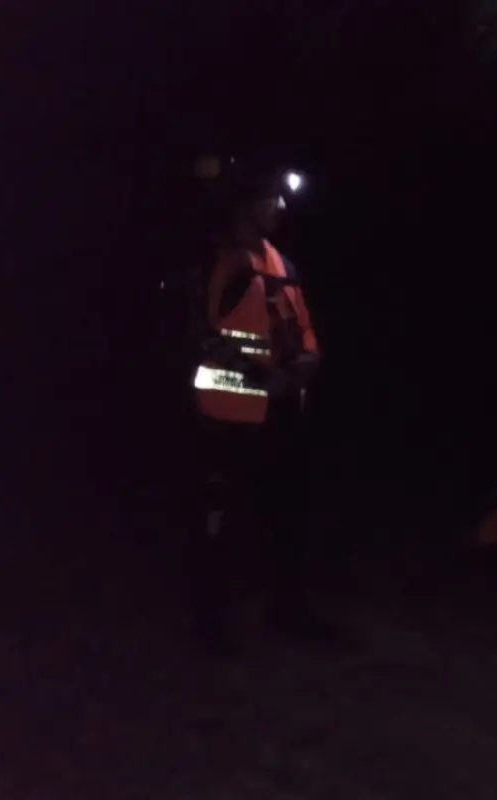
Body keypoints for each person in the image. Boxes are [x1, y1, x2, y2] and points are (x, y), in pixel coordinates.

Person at [187, 157, 336, 656]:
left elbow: (302, 324)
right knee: (221, 522)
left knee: (288, 515)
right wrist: (263, 377)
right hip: (228, 414)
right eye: (271, 197)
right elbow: (205, 335)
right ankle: (212, 622)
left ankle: (287, 609)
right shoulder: (223, 261)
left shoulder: (281, 262)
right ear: (245, 205)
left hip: (279, 415)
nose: (281, 206)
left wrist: (309, 360)